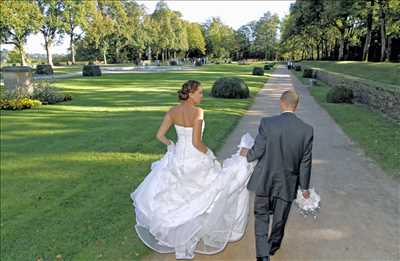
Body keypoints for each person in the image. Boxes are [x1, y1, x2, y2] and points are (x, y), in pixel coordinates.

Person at [240, 90, 314, 261]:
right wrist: (304, 188)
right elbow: (305, 162)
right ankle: (273, 246)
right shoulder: (307, 130)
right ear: (296, 105)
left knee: (261, 215)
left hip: (265, 179)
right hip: (288, 183)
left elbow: (258, 151)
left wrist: (247, 153)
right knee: (280, 218)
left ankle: (262, 255)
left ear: (281, 102)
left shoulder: (268, 123)